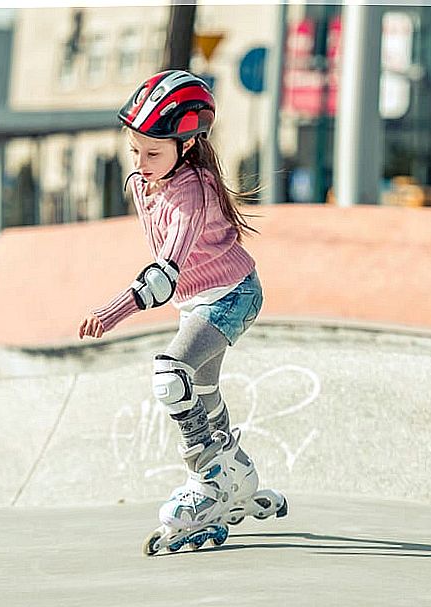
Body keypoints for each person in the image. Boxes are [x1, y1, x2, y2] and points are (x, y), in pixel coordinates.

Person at [78, 70, 285, 553]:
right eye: (135, 151)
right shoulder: (145, 183)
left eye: (153, 153)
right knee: (203, 389)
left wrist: (110, 313)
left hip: (232, 295)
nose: (141, 163)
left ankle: (208, 482)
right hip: (199, 299)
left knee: (172, 375)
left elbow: (165, 269)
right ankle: (236, 471)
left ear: (187, 146)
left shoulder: (192, 194)